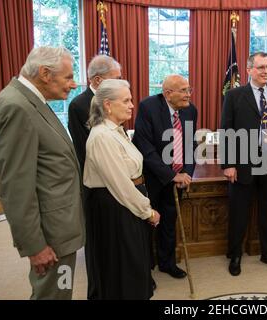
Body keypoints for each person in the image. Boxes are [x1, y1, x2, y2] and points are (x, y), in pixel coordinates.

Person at [0, 46, 85, 299]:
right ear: (45, 73)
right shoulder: (17, 106)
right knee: (53, 295)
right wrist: (34, 245)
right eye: (68, 77)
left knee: (61, 292)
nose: (73, 84)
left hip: (59, 228)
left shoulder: (33, 101)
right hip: (49, 235)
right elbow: (16, 187)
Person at [83, 79, 160, 299]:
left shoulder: (117, 131)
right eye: (126, 100)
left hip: (126, 205)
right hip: (115, 208)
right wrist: (148, 211)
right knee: (123, 271)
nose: (132, 105)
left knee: (134, 266)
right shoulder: (102, 137)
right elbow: (121, 185)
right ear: (107, 105)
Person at [221, 51, 267, 276]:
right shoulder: (234, 96)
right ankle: (235, 255)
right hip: (243, 165)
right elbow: (227, 131)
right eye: (261, 67)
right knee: (239, 212)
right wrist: (228, 164)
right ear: (250, 69)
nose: (266, 71)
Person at [132, 74, 198, 280]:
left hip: (178, 176)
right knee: (147, 222)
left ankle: (167, 263)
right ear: (168, 94)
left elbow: (190, 145)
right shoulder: (148, 107)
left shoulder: (190, 111)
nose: (189, 94)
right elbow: (145, 147)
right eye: (184, 90)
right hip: (153, 177)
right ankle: (145, 267)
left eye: (189, 89)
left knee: (169, 220)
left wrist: (186, 171)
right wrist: (171, 175)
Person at [67, 54, 121, 299]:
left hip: (117, 180)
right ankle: (97, 291)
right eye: (116, 79)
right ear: (98, 80)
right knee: (96, 242)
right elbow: (83, 151)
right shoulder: (79, 105)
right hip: (96, 185)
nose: (121, 84)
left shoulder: (115, 100)